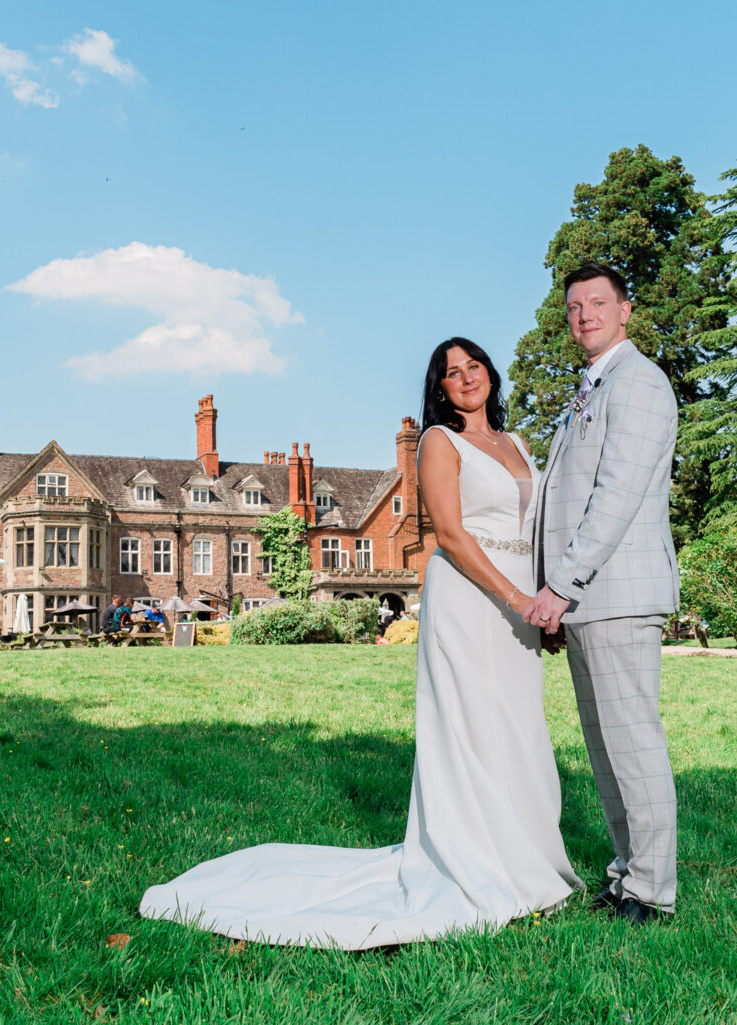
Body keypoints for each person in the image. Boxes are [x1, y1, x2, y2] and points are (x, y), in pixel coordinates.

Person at [139, 338, 581, 948]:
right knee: (471, 727)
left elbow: (532, 531)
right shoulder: (436, 442)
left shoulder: (519, 445)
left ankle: (527, 855)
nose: (466, 378)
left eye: (473, 366)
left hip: (522, 606)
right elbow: (450, 535)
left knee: (519, 725)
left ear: (490, 373)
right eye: (452, 373)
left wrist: (545, 605)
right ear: (440, 388)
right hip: (473, 602)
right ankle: (476, 864)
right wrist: (517, 599)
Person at [522, 264, 681, 927]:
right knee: (605, 748)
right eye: (573, 306)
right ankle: (626, 876)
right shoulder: (590, 389)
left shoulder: (639, 383)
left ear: (625, 311)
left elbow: (613, 499)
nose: (584, 314)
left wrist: (560, 585)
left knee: (633, 744)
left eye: (597, 303)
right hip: (589, 599)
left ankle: (653, 889)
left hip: (616, 592)